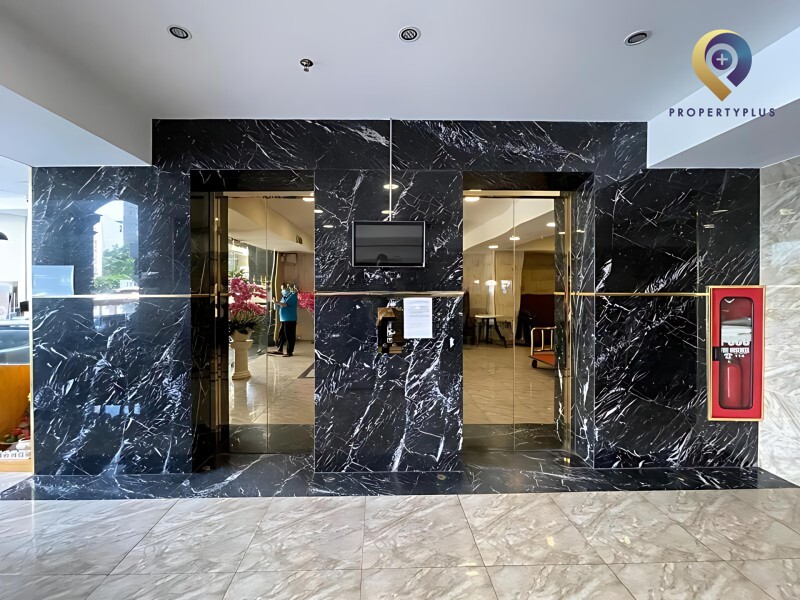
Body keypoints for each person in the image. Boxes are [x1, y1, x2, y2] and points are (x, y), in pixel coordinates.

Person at [272, 283, 298, 357]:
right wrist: (275, 304)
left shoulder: (293, 296)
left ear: (288, 288)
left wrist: (277, 302)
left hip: (290, 319)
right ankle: (279, 349)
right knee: (281, 335)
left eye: (283, 289)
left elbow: (285, 304)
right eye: (282, 289)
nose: (282, 291)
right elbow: (279, 305)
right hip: (284, 319)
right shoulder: (284, 297)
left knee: (289, 336)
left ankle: (290, 352)